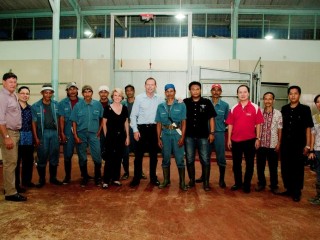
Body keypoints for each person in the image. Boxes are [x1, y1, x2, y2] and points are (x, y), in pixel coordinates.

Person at [226, 84, 264, 193]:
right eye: (240, 92)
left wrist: (258, 138)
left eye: (245, 92)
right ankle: (238, 183)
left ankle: (246, 184)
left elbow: (258, 124)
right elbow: (230, 125)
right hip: (236, 141)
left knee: (250, 163)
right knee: (236, 164)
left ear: (248, 93)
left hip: (250, 140)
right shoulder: (233, 108)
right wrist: (229, 139)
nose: (243, 94)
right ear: (237, 95)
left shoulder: (255, 107)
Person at [280, 86, 313, 202]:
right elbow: (281, 127)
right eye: (291, 93)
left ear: (299, 95)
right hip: (285, 144)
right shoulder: (284, 109)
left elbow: (308, 128)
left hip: (299, 145)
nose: (293, 96)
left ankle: (297, 191)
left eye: (295, 93)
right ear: (288, 95)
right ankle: (288, 188)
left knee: (297, 168)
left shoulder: (305, 109)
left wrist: (308, 145)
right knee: (285, 167)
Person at [129, 77, 163, 187]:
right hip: (141, 130)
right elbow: (133, 115)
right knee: (138, 156)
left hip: (154, 130)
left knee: (154, 156)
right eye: (148, 84)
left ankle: (153, 178)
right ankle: (136, 178)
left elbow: (169, 105)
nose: (150, 87)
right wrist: (135, 130)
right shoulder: (139, 98)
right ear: (144, 86)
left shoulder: (160, 99)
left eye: (152, 84)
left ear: (156, 86)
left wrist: (180, 100)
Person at [184, 81, 216, 191]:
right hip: (189, 137)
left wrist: (212, 133)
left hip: (203, 136)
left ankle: (206, 182)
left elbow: (211, 118)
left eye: (197, 89)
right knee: (189, 159)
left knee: (205, 159)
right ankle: (192, 180)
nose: (195, 91)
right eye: (193, 89)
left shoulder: (206, 102)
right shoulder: (185, 102)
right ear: (190, 91)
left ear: (200, 90)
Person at [195, 84, 229, 188]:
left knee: (221, 157)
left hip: (219, 134)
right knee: (204, 156)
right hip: (205, 134)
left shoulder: (225, 105)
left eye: (218, 90)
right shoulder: (204, 103)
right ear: (211, 91)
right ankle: (204, 176)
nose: (216, 92)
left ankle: (221, 179)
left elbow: (227, 121)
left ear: (221, 92)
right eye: (214, 90)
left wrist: (220, 127)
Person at [0, 72, 27, 201]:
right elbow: (0, 120)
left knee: (13, 162)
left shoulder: (13, 96)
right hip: (8, 133)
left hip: (15, 133)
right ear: (3, 82)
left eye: (15, 82)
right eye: (10, 82)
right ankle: (10, 193)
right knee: (10, 163)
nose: (13, 84)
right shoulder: (2, 97)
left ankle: (10, 187)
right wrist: (6, 136)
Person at [70, 85, 104, 187]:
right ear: (83, 94)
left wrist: (99, 131)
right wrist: (75, 135)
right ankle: (84, 177)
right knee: (82, 157)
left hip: (94, 134)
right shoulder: (78, 106)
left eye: (89, 91)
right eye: (85, 92)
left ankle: (97, 178)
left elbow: (103, 119)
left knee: (97, 156)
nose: (87, 93)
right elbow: (74, 122)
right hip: (81, 134)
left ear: (92, 93)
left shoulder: (98, 105)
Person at [156, 84, 187, 190]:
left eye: (171, 91)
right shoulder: (160, 106)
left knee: (180, 159)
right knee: (165, 159)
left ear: (175, 92)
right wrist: (158, 138)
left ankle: (182, 183)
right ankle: (166, 180)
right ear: (165, 93)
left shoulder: (181, 105)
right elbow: (158, 123)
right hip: (165, 135)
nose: (169, 93)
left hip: (177, 134)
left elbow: (183, 122)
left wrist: (182, 137)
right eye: (167, 91)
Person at [32, 83, 62, 188]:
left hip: (54, 133)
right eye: (46, 92)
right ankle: (42, 179)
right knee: (42, 156)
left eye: (50, 93)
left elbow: (59, 119)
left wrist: (60, 133)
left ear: (52, 94)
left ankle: (53, 178)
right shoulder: (36, 106)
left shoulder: (56, 104)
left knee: (54, 155)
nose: (48, 95)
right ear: (42, 93)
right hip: (43, 134)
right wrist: (36, 138)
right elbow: (34, 123)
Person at [102, 88, 129, 189]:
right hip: (110, 136)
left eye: (119, 95)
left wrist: (127, 137)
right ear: (112, 96)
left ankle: (116, 179)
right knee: (109, 158)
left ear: (122, 97)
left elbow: (126, 122)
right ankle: (105, 180)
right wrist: (106, 136)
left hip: (121, 136)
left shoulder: (125, 108)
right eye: (115, 95)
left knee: (118, 157)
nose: (117, 97)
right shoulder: (107, 108)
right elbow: (104, 123)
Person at [255, 92, 282, 194]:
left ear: (273, 100)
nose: (267, 101)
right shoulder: (259, 112)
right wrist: (256, 139)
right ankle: (261, 183)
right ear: (263, 100)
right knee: (260, 166)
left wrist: (279, 143)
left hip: (272, 144)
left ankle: (274, 185)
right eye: (265, 99)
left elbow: (280, 129)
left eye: (270, 99)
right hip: (261, 144)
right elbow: (256, 127)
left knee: (273, 166)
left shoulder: (278, 114)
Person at [58, 82, 83, 184]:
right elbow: (62, 119)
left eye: (74, 89)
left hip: (80, 131)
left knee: (82, 154)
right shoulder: (62, 103)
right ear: (67, 91)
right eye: (70, 89)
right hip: (68, 131)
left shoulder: (82, 102)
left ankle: (84, 175)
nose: (72, 91)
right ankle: (67, 176)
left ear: (77, 90)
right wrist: (62, 133)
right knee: (68, 155)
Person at [16, 86, 35, 191]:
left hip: (28, 136)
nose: (25, 95)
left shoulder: (31, 108)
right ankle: (16, 185)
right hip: (16, 136)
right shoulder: (13, 107)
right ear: (18, 94)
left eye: (27, 93)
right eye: (22, 93)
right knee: (16, 162)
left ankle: (27, 181)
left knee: (28, 160)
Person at [308, 94, 320, 204]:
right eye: (318, 102)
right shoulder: (315, 117)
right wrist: (311, 150)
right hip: (317, 149)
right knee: (319, 173)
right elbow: (313, 134)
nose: (319, 104)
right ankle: (318, 197)